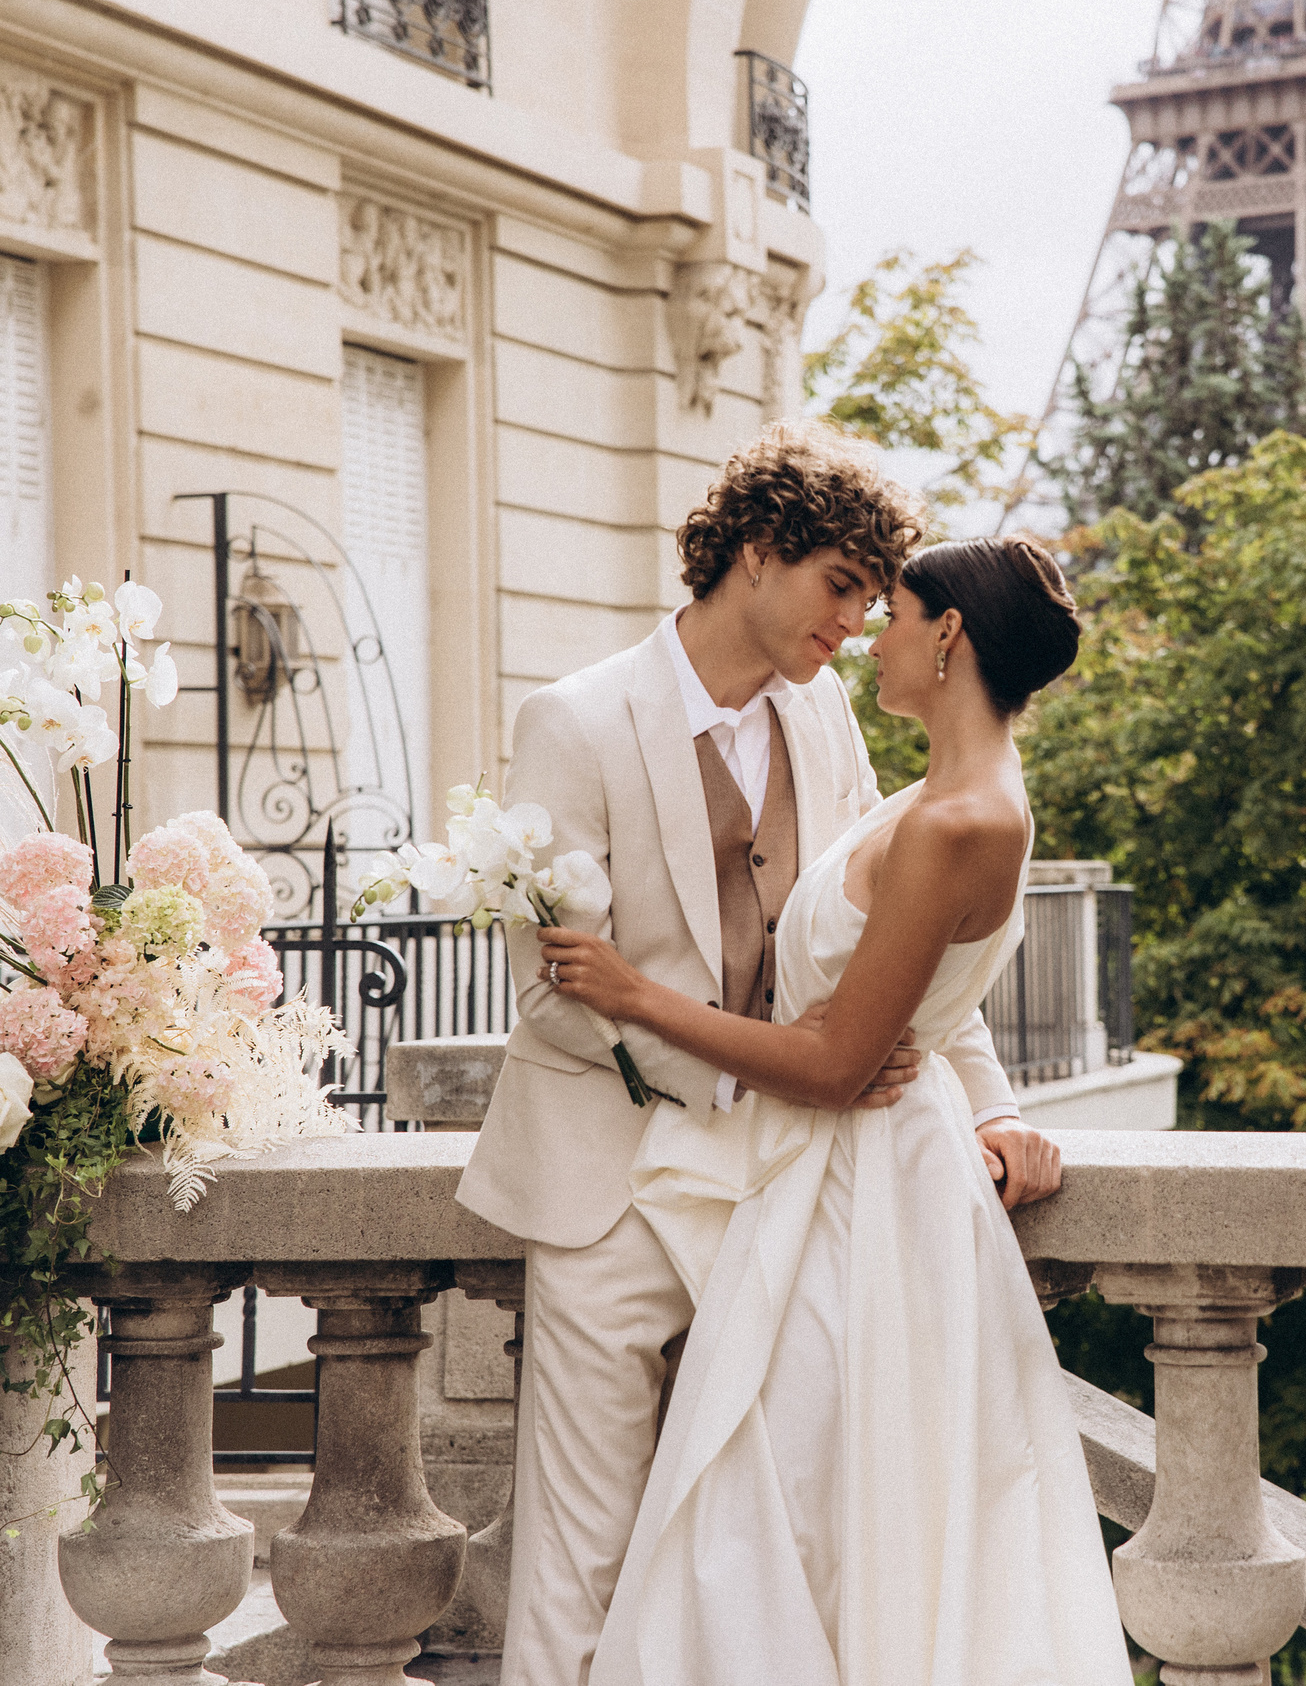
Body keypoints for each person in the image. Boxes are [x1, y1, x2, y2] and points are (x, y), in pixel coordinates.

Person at [453, 423, 1064, 1686]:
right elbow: (560, 992)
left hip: (798, 1182)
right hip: (608, 1182)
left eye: (873, 598)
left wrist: (987, 1103)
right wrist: (750, 1071)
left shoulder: (823, 711)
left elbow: (897, 945)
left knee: (775, 1546)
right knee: (584, 1559)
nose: (852, 623)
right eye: (840, 584)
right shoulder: (575, 719)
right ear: (752, 550)